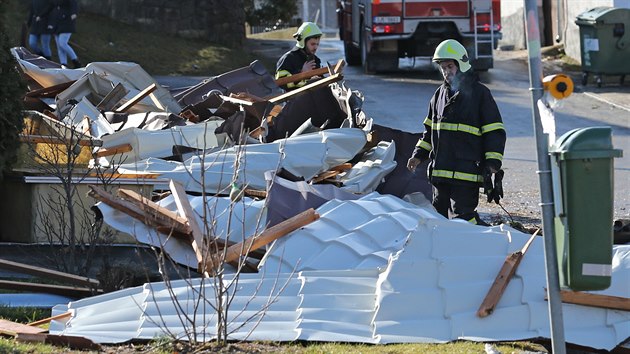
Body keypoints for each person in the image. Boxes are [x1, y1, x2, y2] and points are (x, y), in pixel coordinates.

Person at [407, 39, 506, 226]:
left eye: (450, 66)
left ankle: (477, 249)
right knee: (439, 221)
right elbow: (429, 131)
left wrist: (492, 163)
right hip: (440, 175)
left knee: (464, 220)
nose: (446, 72)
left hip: (465, 175)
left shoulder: (480, 94)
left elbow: (494, 131)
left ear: (461, 65)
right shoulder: (438, 96)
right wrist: (418, 155)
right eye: (443, 68)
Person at [275, 22, 322, 91]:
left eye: (317, 44)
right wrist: (301, 73)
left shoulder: (315, 60)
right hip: (293, 100)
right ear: (303, 42)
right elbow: (281, 83)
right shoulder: (288, 59)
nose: (315, 47)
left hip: (312, 99)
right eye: (312, 44)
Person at [50, 0, 81, 68]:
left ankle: (76, 61)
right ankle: (63, 64)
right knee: (59, 46)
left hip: (67, 22)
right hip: (56, 23)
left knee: (62, 43)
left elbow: (73, 3)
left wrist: (74, 13)